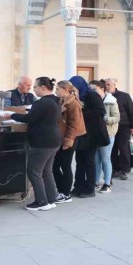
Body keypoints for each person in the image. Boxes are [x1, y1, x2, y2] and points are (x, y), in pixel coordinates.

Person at [9, 77, 61, 211]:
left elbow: (29, 118)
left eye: (35, 87)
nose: (34, 90)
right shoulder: (55, 101)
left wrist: (12, 115)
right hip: (54, 140)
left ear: (43, 87)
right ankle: (51, 199)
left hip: (43, 142)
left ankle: (41, 201)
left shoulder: (42, 103)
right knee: (46, 171)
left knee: (33, 171)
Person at [70, 76, 107, 198]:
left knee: (89, 161)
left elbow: (100, 111)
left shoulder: (91, 95)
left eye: (74, 86)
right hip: (81, 134)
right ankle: (78, 186)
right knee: (80, 160)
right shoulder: (77, 96)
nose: (73, 88)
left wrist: (81, 113)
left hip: (92, 134)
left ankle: (90, 188)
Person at [52, 80, 85, 203]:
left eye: (58, 89)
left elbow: (74, 125)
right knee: (56, 166)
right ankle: (61, 191)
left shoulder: (73, 104)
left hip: (69, 138)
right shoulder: (63, 101)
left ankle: (65, 193)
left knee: (65, 166)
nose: (56, 92)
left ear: (66, 89)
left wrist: (68, 141)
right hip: (63, 137)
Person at [104, 78, 133, 180]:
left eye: (108, 84)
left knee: (124, 149)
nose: (106, 86)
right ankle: (115, 169)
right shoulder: (104, 97)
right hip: (110, 127)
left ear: (114, 85)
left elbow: (132, 112)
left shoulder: (124, 96)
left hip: (123, 126)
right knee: (112, 149)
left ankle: (124, 170)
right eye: (105, 84)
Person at [94, 80, 119, 193]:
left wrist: (106, 119)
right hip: (96, 133)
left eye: (95, 89)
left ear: (102, 89)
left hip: (108, 134)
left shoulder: (111, 101)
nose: (93, 91)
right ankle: (96, 182)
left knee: (105, 159)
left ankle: (107, 183)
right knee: (96, 159)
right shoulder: (93, 100)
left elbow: (117, 117)